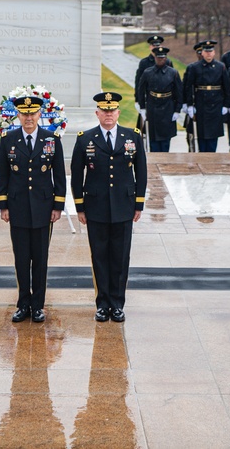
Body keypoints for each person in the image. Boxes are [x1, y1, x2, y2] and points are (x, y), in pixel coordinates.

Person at [70, 92, 147, 323]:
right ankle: (102, 304)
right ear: (97, 113)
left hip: (124, 206)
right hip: (96, 207)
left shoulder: (132, 136)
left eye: (112, 111)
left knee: (121, 258)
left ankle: (117, 304)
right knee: (100, 257)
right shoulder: (85, 139)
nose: (108, 115)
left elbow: (141, 172)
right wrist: (80, 207)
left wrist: (138, 203)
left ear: (118, 113)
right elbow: (76, 175)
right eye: (104, 111)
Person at [0, 96, 66, 323]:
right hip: (17, 208)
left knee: (41, 258)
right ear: (18, 115)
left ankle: (38, 306)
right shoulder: (8, 139)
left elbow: (59, 175)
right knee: (21, 258)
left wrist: (58, 206)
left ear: (39, 115)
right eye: (24, 114)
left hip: (44, 209)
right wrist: (3, 205)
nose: (28, 118)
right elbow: (3, 175)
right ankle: (23, 303)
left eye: (32, 113)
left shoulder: (52, 139)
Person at [182, 41, 230, 152]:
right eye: (206, 52)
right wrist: (189, 104)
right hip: (201, 104)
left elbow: (227, 87)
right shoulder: (195, 67)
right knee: (201, 135)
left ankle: (211, 159)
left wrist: (226, 105)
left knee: (213, 136)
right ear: (202, 53)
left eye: (210, 51)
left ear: (214, 53)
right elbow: (188, 87)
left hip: (216, 104)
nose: (208, 54)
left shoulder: (220, 67)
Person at [137, 46, 183, 153]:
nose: (161, 59)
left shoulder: (173, 73)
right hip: (153, 107)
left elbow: (179, 93)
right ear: (155, 58)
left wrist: (177, 110)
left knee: (165, 140)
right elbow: (141, 90)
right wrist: (142, 108)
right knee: (153, 140)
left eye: (163, 58)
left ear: (166, 58)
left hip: (167, 107)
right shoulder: (148, 72)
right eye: (158, 58)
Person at [133, 34, 165, 136]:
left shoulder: (167, 62)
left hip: (163, 102)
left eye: (158, 45)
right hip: (148, 100)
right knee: (145, 130)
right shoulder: (144, 63)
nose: (156, 47)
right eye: (154, 45)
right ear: (150, 47)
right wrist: (138, 99)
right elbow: (139, 83)